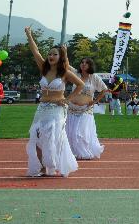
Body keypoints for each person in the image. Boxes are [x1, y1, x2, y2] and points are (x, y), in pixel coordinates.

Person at [24, 26, 84, 177]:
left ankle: (51, 166)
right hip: (42, 108)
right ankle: (42, 167)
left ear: (60, 57)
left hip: (57, 110)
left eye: (54, 54)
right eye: (49, 54)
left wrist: (67, 99)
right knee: (36, 136)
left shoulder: (64, 72)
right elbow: (35, 51)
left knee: (52, 137)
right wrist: (29, 34)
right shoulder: (43, 68)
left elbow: (80, 85)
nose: (51, 56)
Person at [66, 58, 109, 160]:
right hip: (72, 108)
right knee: (71, 133)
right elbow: (67, 65)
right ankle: (74, 153)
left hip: (86, 109)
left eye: (86, 63)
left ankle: (85, 153)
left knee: (81, 133)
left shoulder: (94, 77)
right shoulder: (76, 74)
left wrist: (95, 101)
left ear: (90, 65)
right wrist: (65, 52)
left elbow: (104, 89)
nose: (83, 64)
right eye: (82, 62)